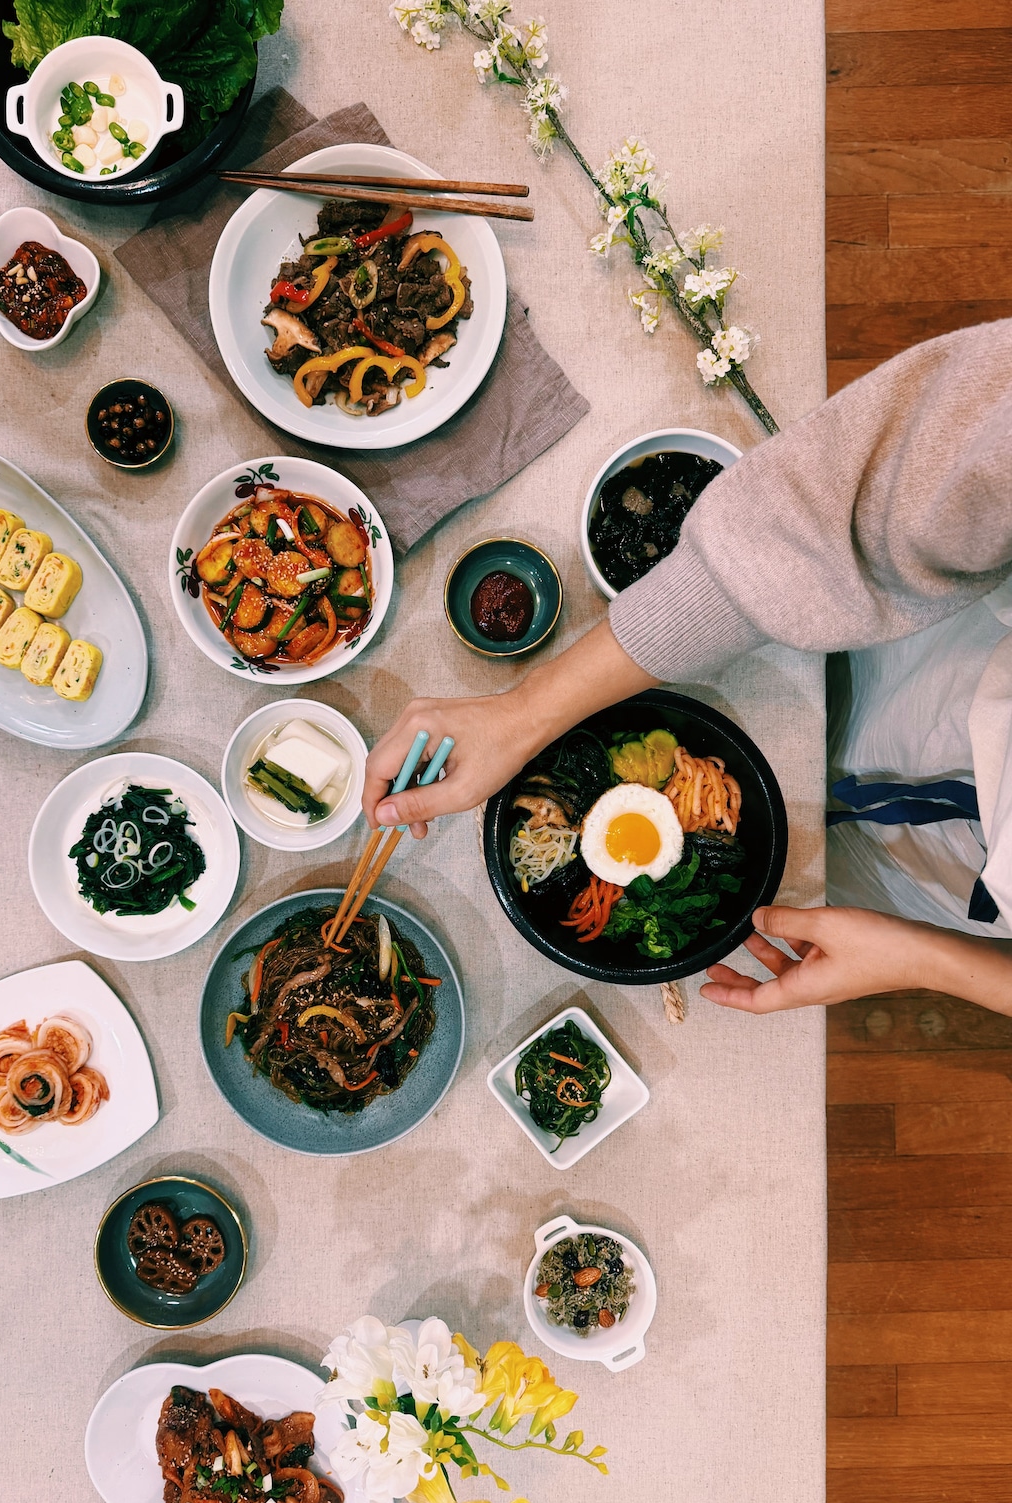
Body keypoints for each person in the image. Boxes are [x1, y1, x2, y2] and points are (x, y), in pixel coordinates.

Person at [362, 320, 1012, 1016]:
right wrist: (523, 713)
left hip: (959, 899)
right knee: (852, 724)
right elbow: (851, 508)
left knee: (858, 869)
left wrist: (927, 959)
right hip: (933, 656)